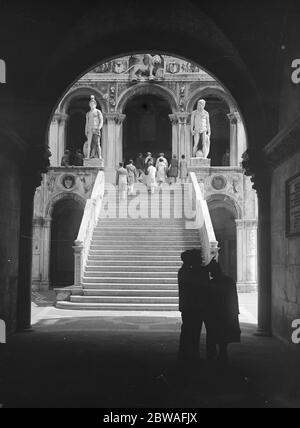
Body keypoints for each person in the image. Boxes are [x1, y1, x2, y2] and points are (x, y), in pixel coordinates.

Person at [178, 249, 211, 362]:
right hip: (193, 306)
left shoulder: (184, 271)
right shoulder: (188, 272)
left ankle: (187, 354)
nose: (201, 259)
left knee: (189, 331)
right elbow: (199, 283)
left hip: (188, 306)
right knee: (192, 331)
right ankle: (190, 355)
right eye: (198, 258)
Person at [206, 259, 241, 366]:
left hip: (218, 312)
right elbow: (234, 298)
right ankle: (222, 353)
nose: (211, 274)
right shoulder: (229, 280)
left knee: (217, 333)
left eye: (211, 272)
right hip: (227, 311)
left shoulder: (212, 283)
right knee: (223, 333)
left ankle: (218, 354)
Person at [85, 95, 104, 159]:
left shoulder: (98, 111)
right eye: (91, 104)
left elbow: (101, 120)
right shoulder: (88, 113)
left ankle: (100, 156)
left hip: (96, 129)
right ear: (89, 105)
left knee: (98, 143)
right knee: (89, 143)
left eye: (93, 104)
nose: (92, 105)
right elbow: (87, 123)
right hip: (90, 129)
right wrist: (86, 130)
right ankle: (88, 156)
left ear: (95, 104)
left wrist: (99, 128)